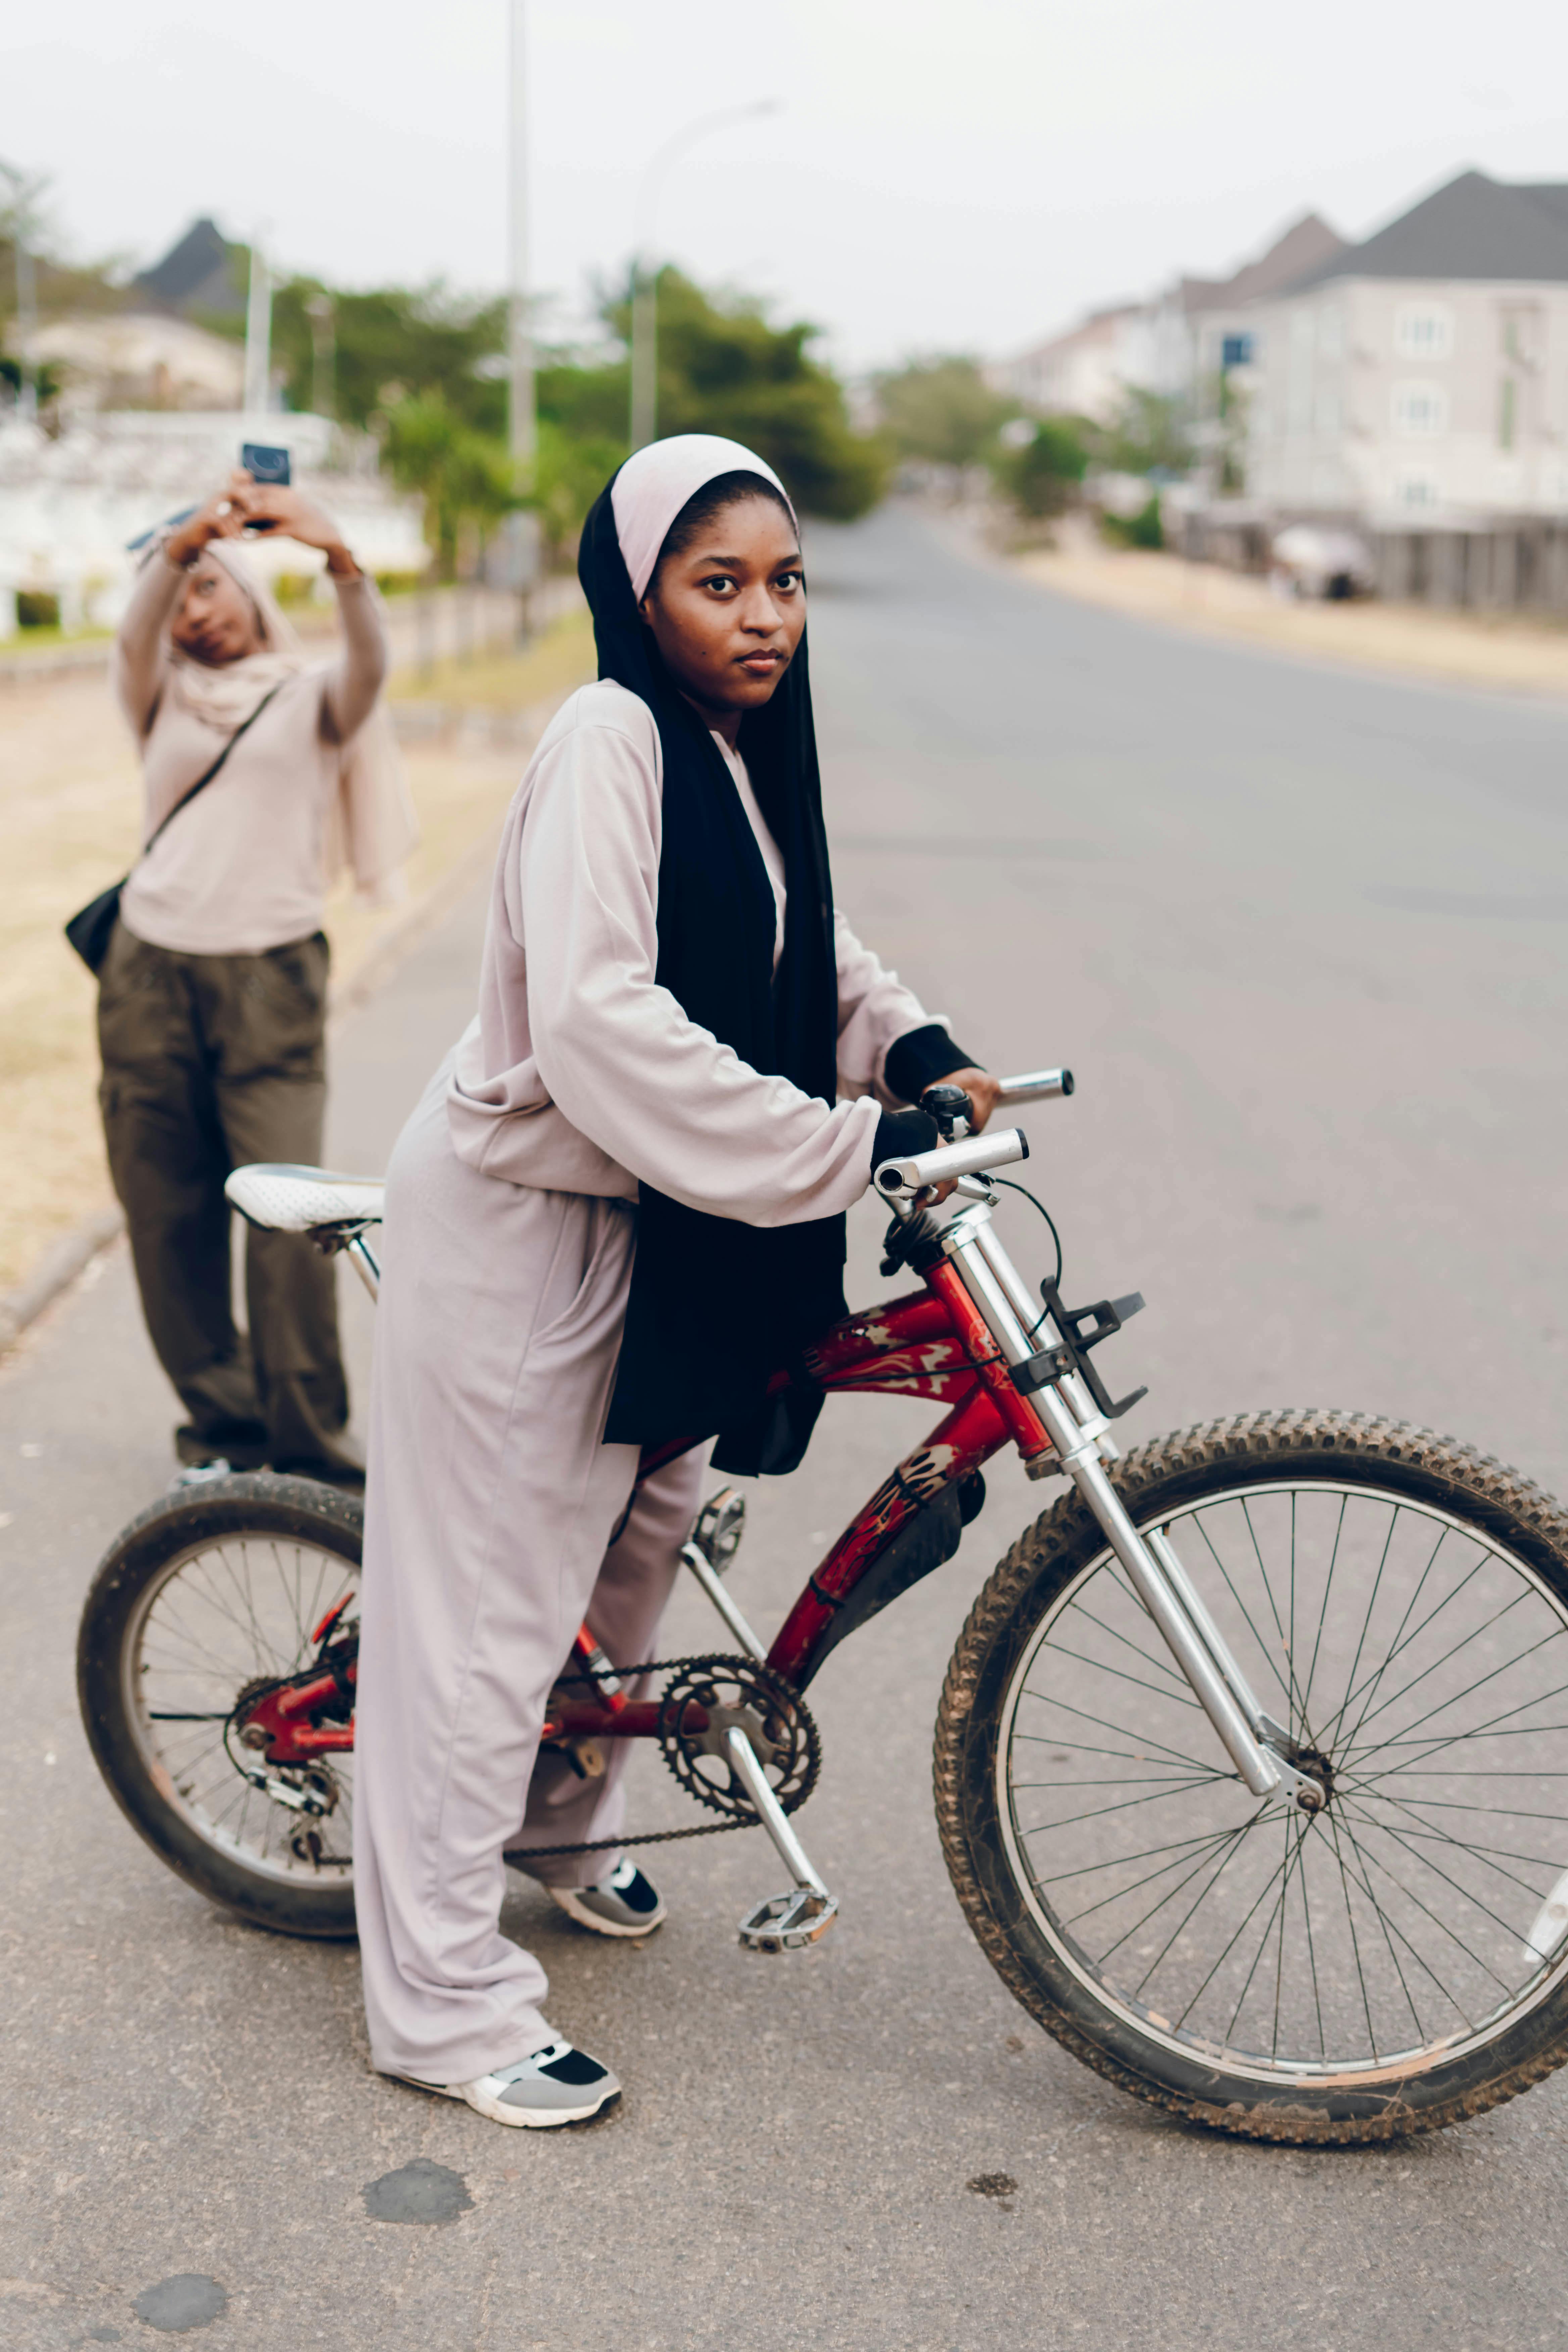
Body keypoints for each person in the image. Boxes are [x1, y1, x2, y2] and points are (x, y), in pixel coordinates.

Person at [352, 434, 999, 2128]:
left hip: (663, 1232)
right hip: (528, 1226)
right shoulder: (607, 734)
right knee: (486, 1623)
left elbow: (801, 937)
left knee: (644, 1531)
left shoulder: (734, 754)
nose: (764, 616)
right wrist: (834, 1147)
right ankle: (437, 2002)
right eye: (718, 584)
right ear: (636, 596)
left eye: (784, 582)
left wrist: (908, 1041)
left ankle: (566, 1819)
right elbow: (599, 1017)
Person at [101, 471, 414, 1483]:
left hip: (271, 979)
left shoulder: (312, 694)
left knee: (288, 1222)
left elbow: (373, 658)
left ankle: (311, 1443)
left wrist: (339, 557)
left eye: (211, 586)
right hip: (148, 974)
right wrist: (179, 545)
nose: (195, 613)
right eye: (183, 593)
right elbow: (132, 634)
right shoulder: (158, 692)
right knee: (168, 1214)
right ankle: (222, 1427)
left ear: (250, 591)